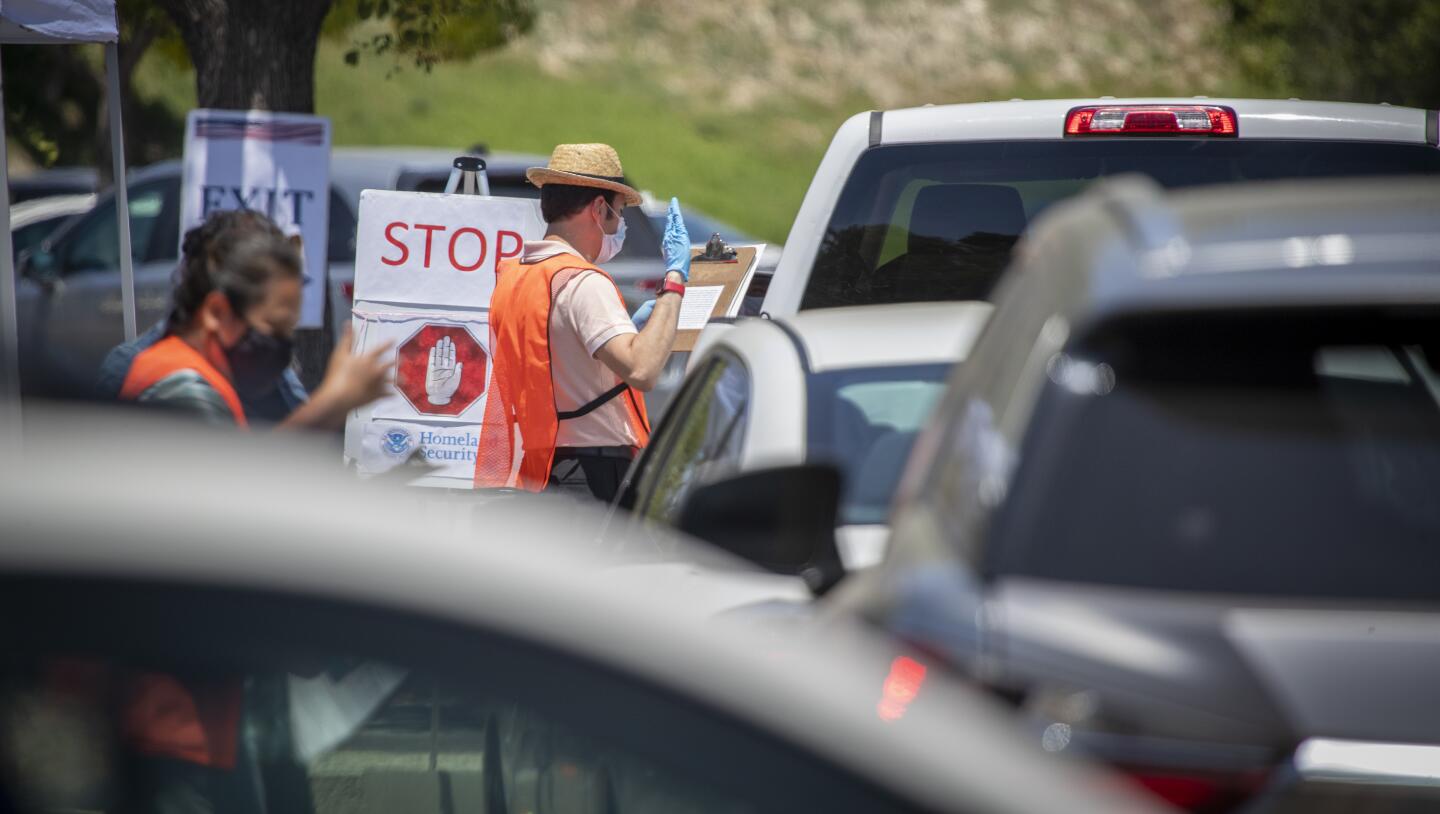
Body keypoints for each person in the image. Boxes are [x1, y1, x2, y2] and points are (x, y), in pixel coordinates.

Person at [474, 143, 691, 501]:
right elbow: (644, 371)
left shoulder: (516, 276)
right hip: (593, 474)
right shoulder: (583, 281)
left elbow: (561, 359)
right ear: (598, 208)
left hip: (544, 469)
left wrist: (627, 337)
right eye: (619, 213)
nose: (621, 225)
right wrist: (674, 282)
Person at [118, 214, 391, 429]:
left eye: (289, 329)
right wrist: (332, 403)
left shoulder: (210, 380)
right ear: (217, 312)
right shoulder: (181, 389)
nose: (283, 343)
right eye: (274, 327)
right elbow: (234, 485)